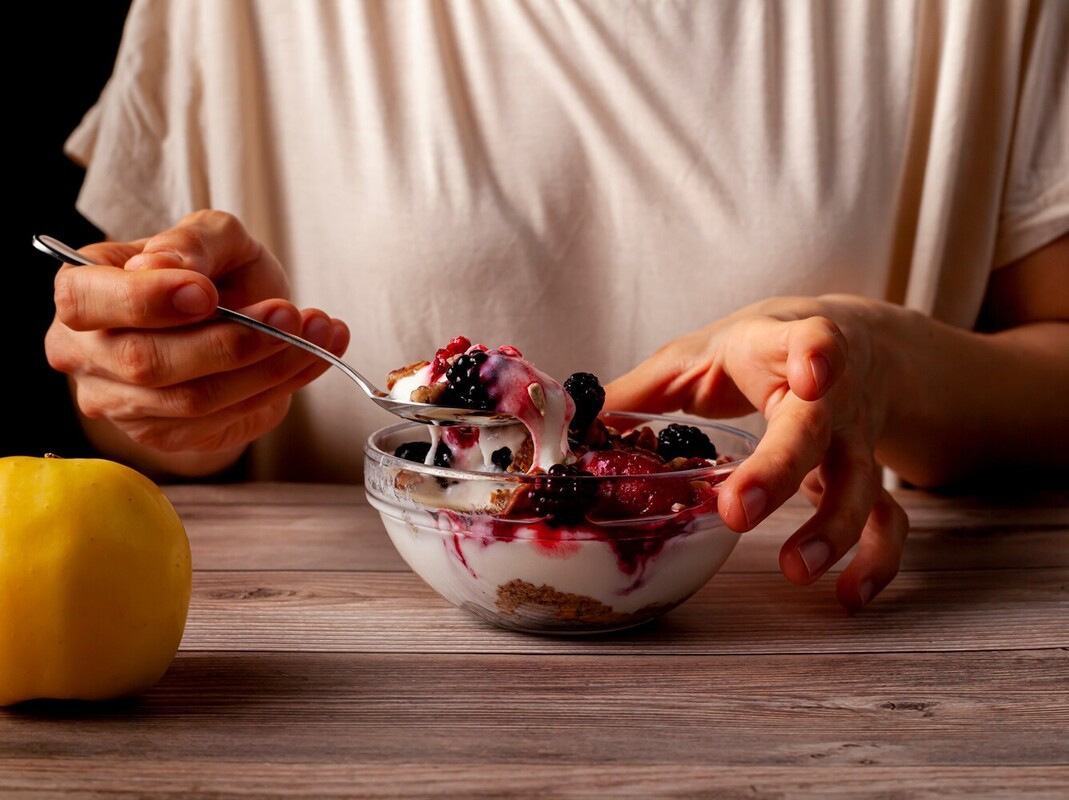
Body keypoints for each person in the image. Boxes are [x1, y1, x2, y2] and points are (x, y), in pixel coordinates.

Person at [44, 0, 1067, 612]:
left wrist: (889, 366)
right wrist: (171, 379)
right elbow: (141, 426)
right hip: (352, 677)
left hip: (821, 674)